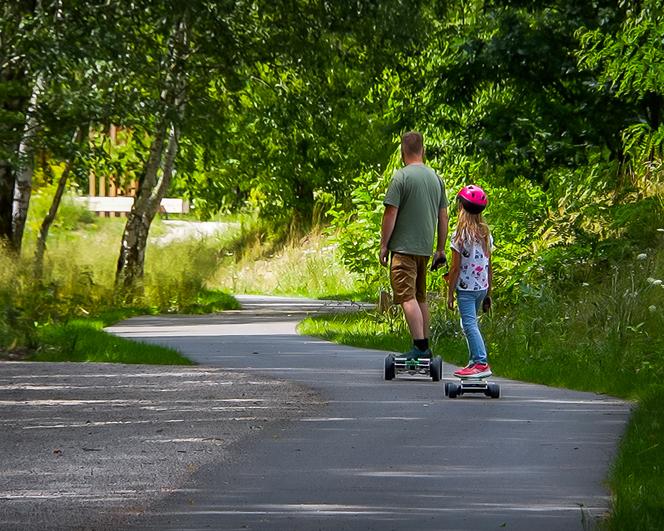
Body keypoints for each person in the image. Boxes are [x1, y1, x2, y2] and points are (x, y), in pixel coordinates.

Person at [380, 131, 449, 359]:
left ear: (402, 151)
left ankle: (419, 348)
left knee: (407, 297)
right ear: (423, 150)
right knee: (420, 298)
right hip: (425, 250)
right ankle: (425, 345)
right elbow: (444, 217)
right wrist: (440, 249)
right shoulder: (436, 179)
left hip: (403, 249)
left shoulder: (401, 177)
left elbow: (390, 213)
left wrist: (383, 245)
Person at [446, 184, 493, 378]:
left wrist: (449, 293)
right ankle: (474, 361)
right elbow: (490, 265)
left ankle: (481, 362)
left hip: (466, 288)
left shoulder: (459, 236)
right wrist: (489, 292)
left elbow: (455, 268)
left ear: (461, 208)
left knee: (469, 324)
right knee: (470, 323)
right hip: (481, 286)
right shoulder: (486, 234)